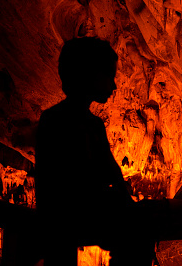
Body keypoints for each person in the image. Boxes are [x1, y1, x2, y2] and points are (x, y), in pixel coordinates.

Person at [35, 37, 155, 266]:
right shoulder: (68, 123)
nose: (114, 85)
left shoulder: (73, 122)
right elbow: (86, 180)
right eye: (109, 76)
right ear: (89, 75)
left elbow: (111, 175)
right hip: (71, 218)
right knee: (142, 226)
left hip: (70, 216)